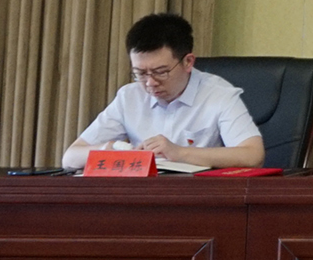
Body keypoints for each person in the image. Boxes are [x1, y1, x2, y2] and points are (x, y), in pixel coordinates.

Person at [61, 12, 265, 171]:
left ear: (188, 62)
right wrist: (109, 150)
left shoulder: (218, 95)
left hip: (199, 199)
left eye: (161, 72)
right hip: (142, 198)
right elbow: (70, 157)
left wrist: (180, 153)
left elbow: (253, 156)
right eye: (140, 73)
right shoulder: (129, 97)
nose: (150, 83)